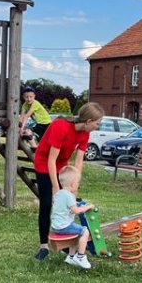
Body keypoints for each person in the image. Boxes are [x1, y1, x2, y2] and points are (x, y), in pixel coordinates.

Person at [33, 102, 105, 261]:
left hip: (62, 164)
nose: (98, 126)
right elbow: (51, 160)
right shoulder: (61, 126)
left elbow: (79, 161)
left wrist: (75, 185)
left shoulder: (85, 134)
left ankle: (65, 243)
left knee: (67, 205)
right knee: (46, 203)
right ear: (88, 121)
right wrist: (56, 189)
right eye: (97, 123)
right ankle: (44, 245)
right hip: (45, 163)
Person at [50, 166, 94, 270]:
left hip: (55, 226)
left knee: (75, 234)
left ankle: (70, 257)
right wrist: (87, 207)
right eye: (78, 183)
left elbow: (65, 206)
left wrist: (75, 204)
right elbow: (76, 211)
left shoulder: (58, 194)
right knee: (85, 231)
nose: (78, 185)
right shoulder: (69, 196)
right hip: (64, 226)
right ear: (73, 184)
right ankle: (80, 256)